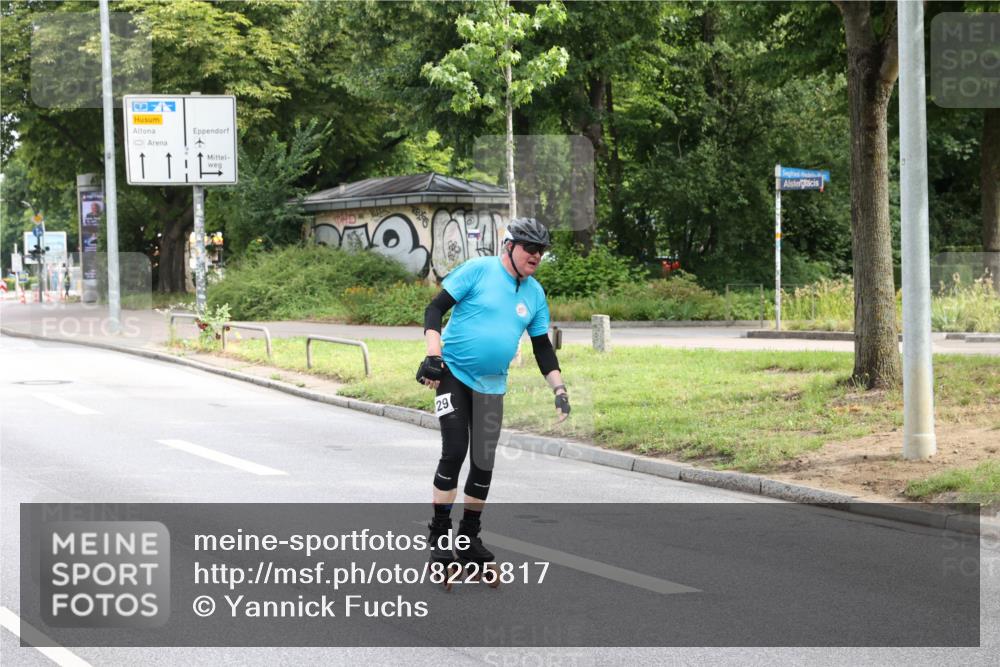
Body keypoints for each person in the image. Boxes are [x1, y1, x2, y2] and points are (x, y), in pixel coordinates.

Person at [416, 217, 570, 572]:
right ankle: (440, 534)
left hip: (492, 385)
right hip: (453, 374)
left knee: (483, 463)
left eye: (541, 250)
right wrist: (433, 356)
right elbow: (434, 309)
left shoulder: (534, 293)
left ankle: (468, 539)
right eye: (530, 248)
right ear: (509, 246)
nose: (536, 256)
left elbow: (542, 347)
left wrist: (559, 389)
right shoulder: (479, 270)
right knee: (454, 451)